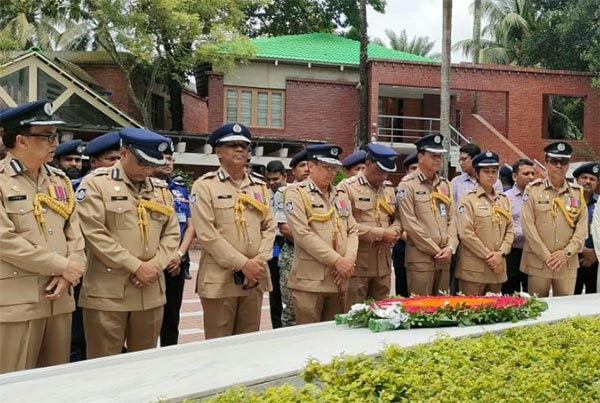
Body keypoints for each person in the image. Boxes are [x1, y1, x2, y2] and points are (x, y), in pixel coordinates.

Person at [76, 128, 180, 358]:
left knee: (143, 364)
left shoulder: (160, 190)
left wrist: (154, 266)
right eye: (142, 162)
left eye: (152, 164)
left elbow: (171, 234)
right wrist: (136, 266)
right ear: (123, 153)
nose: (148, 169)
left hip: (151, 291)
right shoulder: (95, 185)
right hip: (108, 293)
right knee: (104, 363)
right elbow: (94, 234)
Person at [0, 100, 86, 374]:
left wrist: (70, 270)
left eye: (56, 136)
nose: (54, 143)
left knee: (55, 381)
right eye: (47, 136)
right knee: (15, 382)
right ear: (21, 140)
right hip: (18, 302)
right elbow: (5, 240)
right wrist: (63, 266)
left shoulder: (59, 180)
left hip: (59, 297)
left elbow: (75, 232)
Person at [190, 123, 275, 339]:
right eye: (232, 145)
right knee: (219, 345)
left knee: (248, 344)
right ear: (218, 152)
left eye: (244, 146)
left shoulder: (259, 187)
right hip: (221, 279)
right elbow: (207, 234)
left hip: (254, 278)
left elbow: (269, 227)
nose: (240, 150)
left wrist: (257, 263)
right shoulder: (204, 186)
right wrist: (243, 264)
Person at [284, 144, 358, 323]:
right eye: (326, 167)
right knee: (308, 338)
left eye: (334, 168)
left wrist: (348, 261)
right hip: (310, 281)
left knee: (334, 337)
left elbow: (353, 229)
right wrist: (337, 261)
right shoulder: (296, 194)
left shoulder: (340, 194)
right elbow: (302, 234)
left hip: (338, 280)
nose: (331, 173)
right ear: (310, 166)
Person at [520, 142, 588, 297]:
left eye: (563, 162)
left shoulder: (577, 193)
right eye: (554, 161)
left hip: (567, 263)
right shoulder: (533, 190)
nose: (559, 166)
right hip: (539, 262)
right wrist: (546, 256)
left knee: (565, 312)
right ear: (546, 162)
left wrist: (566, 253)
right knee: (537, 309)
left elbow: (581, 229)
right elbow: (528, 226)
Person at [338, 143, 403, 305]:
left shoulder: (388, 189)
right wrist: (380, 233)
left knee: (381, 311)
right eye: (380, 171)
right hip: (358, 264)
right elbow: (344, 224)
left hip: (383, 265)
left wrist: (394, 230)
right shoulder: (347, 188)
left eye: (387, 172)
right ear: (367, 164)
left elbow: (398, 217)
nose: (383, 177)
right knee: (354, 312)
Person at [397, 134, 458, 295]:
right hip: (421, 259)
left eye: (439, 156)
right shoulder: (407, 185)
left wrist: (450, 247)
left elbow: (453, 219)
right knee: (420, 309)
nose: (438, 160)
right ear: (420, 157)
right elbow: (410, 224)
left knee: (442, 308)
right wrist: (436, 250)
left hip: (444, 258)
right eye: (433, 156)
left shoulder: (445, 184)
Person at [153, 141, 196, 345]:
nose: (167, 163)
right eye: (162, 158)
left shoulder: (179, 189)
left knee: (171, 318)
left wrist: (179, 255)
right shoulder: (142, 187)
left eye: (170, 159)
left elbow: (190, 225)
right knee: (148, 320)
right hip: (151, 262)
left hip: (175, 262)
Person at [456, 151, 515, 295]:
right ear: (476, 174)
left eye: (494, 171)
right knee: (471, 312)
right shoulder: (467, 200)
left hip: (497, 269)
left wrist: (500, 254)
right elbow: (466, 233)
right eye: (486, 171)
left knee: (495, 312)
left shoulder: (503, 199)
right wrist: (490, 257)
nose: (491, 175)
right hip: (474, 270)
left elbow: (510, 230)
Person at [273, 150, 310, 327]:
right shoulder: (284, 192)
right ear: (293, 171)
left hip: (319, 259)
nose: (307, 169)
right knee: (291, 309)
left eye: (310, 165)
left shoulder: (326, 192)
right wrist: (315, 244)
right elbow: (284, 227)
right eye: (302, 166)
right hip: (292, 255)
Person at [502, 159, 536, 294]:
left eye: (533, 174)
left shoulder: (539, 197)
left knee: (532, 295)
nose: (531, 177)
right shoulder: (505, 198)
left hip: (533, 253)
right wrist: (529, 232)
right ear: (515, 176)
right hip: (513, 253)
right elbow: (505, 228)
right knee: (510, 295)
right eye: (526, 173)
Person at [265, 160, 287, 328]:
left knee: (287, 285)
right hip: (271, 243)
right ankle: (276, 325)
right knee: (274, 287)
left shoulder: (292, 193)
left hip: (287, 241)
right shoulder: (264, 194)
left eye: (276, 179)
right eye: (269, 179)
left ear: (285, 176)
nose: (272, 183)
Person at [392, 151, 418, 296]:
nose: (415, 172)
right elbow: (395, 219)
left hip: (425, 249)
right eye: (413, 169)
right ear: (406, 171)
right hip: (404, 245)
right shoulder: (398, 192)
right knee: (403, 292)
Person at [573, 162, 599, 294]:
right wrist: (583, 250)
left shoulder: (599, 203)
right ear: (577, 180)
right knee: (570, 301)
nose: (588, 182)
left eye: (592, 179)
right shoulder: (566, 202)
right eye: (584, 178)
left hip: (596, 260)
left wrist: (594, 254)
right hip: (571, 259)